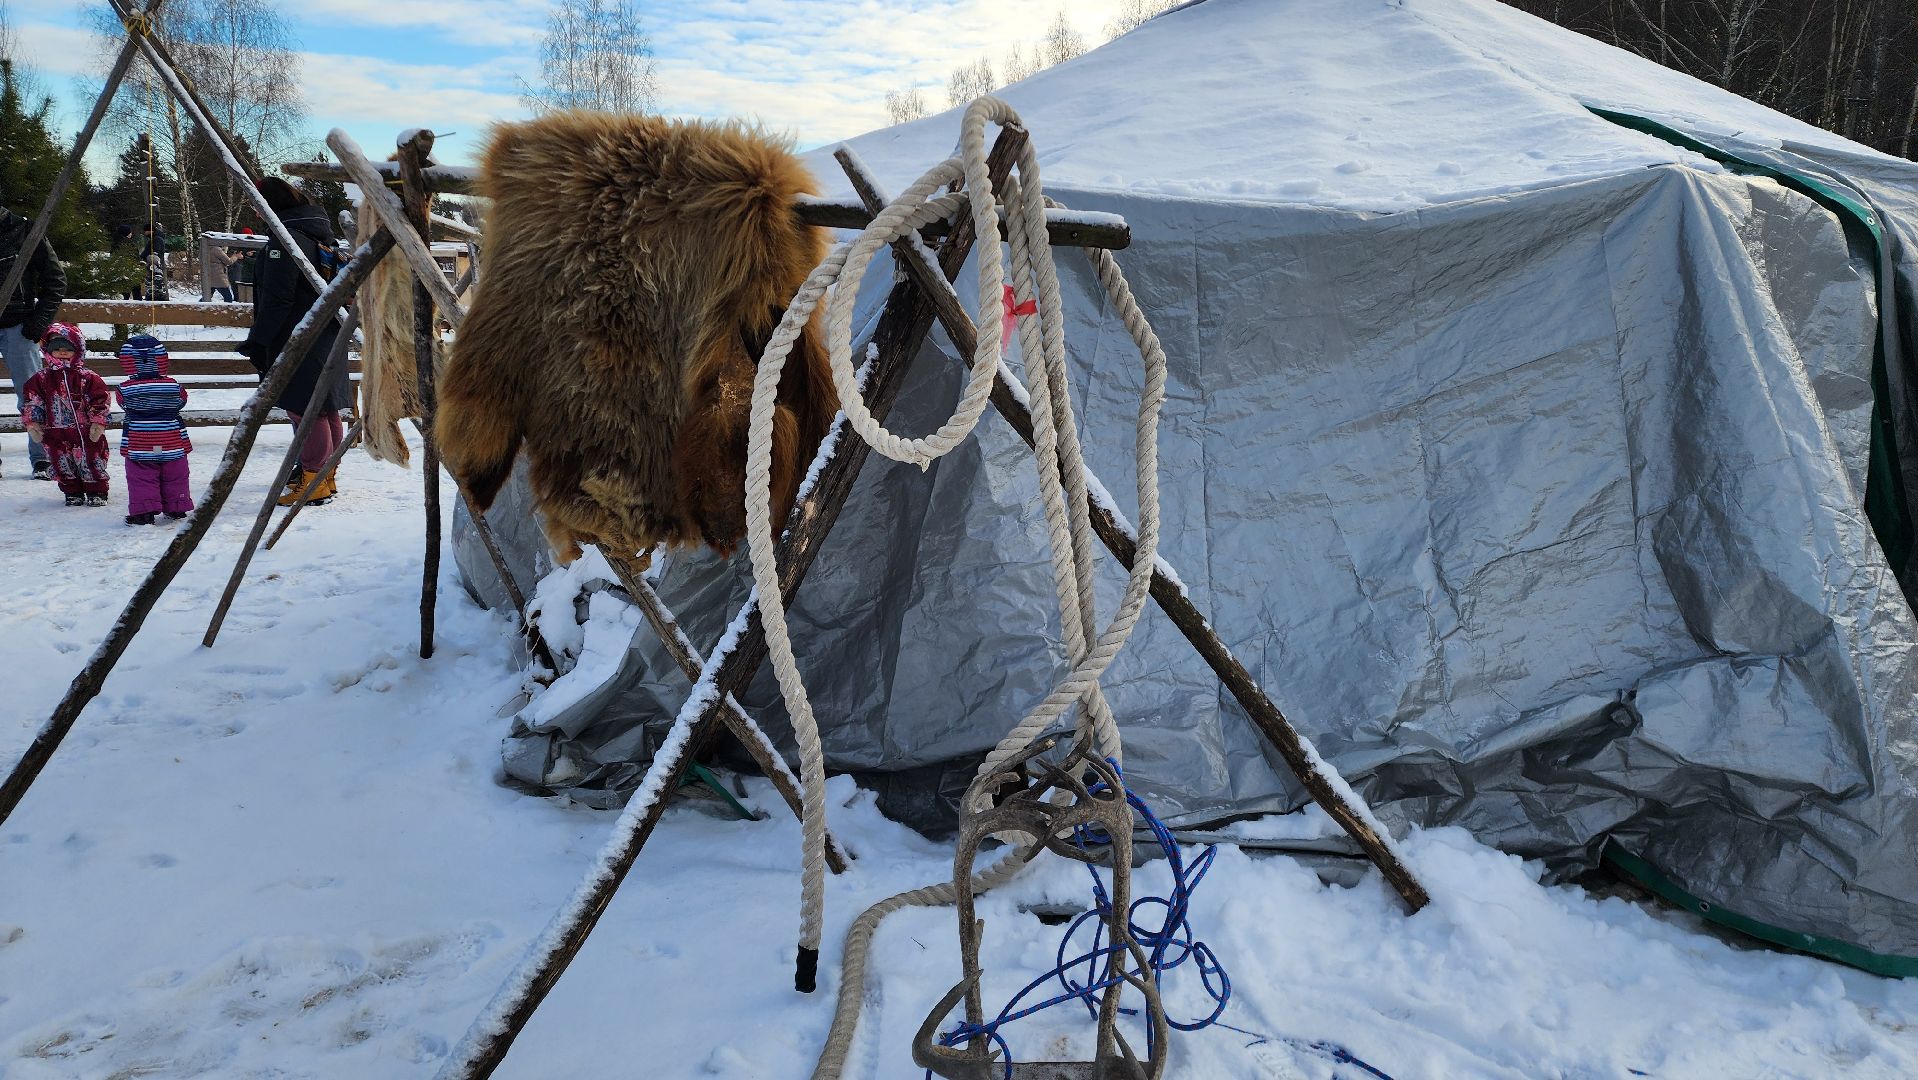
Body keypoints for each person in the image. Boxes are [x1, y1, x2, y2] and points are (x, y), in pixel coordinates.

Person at [240, 178, 348, 506]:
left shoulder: (284, 242)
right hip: (328, 333)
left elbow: (277, 299)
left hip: (298, 337)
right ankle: (325, 475)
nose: (257, 212)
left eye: (258, 205)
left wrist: (258, 341)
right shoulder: (317, 235)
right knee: (326, 408)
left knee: (305, 410)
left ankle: (315, 479)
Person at [0, 204, 65, 481]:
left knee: (32, 396)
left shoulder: (25, 230)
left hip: (18, 325)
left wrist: (37, 323)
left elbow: (55, 281)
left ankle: (41, 458)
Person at [21, 322, 111, 507]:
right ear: (48, 350)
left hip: (86, 432)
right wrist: (33, 423)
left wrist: (98, 422)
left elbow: (100, 399)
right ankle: (72, 491)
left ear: (78, 349)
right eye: (56, 348)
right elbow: (32, 401)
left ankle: (97, 491)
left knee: (92, 460)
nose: (62, 352)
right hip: (55, 432)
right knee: (61, 462)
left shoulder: (87, 377)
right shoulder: (41, 378)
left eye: (68, 348)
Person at [115, 334, 193, 524]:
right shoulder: (173, 385)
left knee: (141, 477)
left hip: (140, 442)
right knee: (175, 475)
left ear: (128, 362)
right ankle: (176, 506)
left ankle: (144, 512)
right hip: (172, 441)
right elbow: (182, 400)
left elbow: (123, 404)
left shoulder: (124, 388)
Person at [138, 222, 169, 301]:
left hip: (154, 266)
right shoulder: (154, 238)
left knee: (155, 285)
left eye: (145, 231)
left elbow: (155, 254)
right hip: (153, 264)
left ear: (150, 231)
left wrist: (147, 258)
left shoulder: (157, 239)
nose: (145, 233)